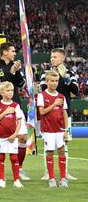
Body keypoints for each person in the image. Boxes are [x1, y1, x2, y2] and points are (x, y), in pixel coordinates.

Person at [0, 42, 29, 181]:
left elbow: (22, 85)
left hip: (15, 104)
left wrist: (16, 72)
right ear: (4, 52)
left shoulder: (16, 66)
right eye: (12, 50)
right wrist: (9, 72)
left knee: (22, 137)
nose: (14, 53)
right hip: (0, 107)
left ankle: (20, 168)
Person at [39, 48, 79, 181]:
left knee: (64, 145)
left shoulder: (69, 73)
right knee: (48, 145)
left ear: (63, 58)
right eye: (51, 56)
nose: (52, 59)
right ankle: (47, 172)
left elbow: (75, 91)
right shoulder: (45, 73)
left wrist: (66, 78)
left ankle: (65, 172)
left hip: (64, 112)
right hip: (48, 113)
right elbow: (42, 90)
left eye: (55, 57)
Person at [37, 71, 69, 188]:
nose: (54, 83)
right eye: (52, 81)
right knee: (50, 151)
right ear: (47, 82)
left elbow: (64, 113)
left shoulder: (61, 97)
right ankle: (51, 178)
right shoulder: (42, 96)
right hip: (48, 129)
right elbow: (42, 112)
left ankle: (63, 178)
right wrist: (54, 104)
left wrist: (66, 129)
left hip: (60, 129)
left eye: (56, 81)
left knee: (61, 151)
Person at [0, 82, 24, 189]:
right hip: (0, 136)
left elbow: (19, 122)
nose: (10, 93)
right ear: (1, 92)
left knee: (14, 158)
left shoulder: (16, 105)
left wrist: (15, 135)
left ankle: (16, 180)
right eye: (8, 90)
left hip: (12, 137)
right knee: (0, 157)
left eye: (12, 91)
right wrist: (5, 112)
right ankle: (1, 179)